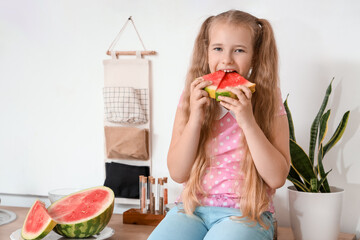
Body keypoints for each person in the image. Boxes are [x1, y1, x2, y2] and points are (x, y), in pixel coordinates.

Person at [148, 9, 290, 240]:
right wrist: (195, 117)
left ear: (255, 55)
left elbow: (277, 178)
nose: (226, 59)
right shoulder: (191, 96)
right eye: (218, 48)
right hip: (191, 209)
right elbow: (177, 172)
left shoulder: (268, 97)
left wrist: (248, 121)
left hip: (247, 213)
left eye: (239, 50)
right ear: (206, 52)